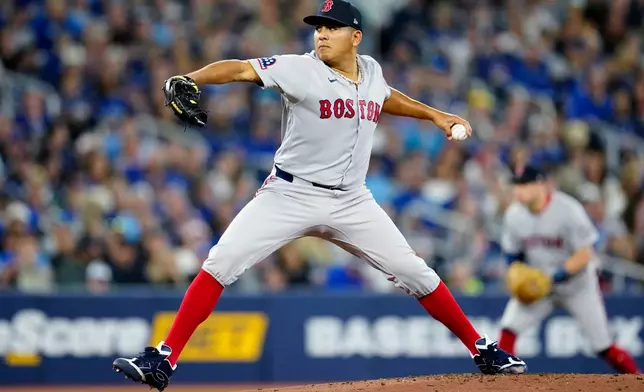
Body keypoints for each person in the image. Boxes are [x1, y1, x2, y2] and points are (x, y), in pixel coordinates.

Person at [112, 2, 526, 390]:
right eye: (319, 28)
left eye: (332, 27)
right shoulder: (299, 69)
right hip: (291, 193)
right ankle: (164, 359)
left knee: (415, 271)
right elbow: (240, 69)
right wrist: (192, 79)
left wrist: (434, 113)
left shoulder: (371, 71)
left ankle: (482, 349)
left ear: (356, 36)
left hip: (352, 200)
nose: (322, 34)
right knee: (221, 261)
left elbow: (385, 97)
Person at [498, 164, 640, 374]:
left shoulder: (568, 209)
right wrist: (515, 272)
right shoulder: (514, 215)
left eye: (524, 184)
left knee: (602, 346)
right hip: (539, 286)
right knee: (508, 329)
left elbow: (586, 253)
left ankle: (637, 380)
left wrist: (557, 275)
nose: (518, 190)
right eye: (516, 185)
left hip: (578, 286)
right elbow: (513, 253)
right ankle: (502, 386)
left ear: (541, 184)